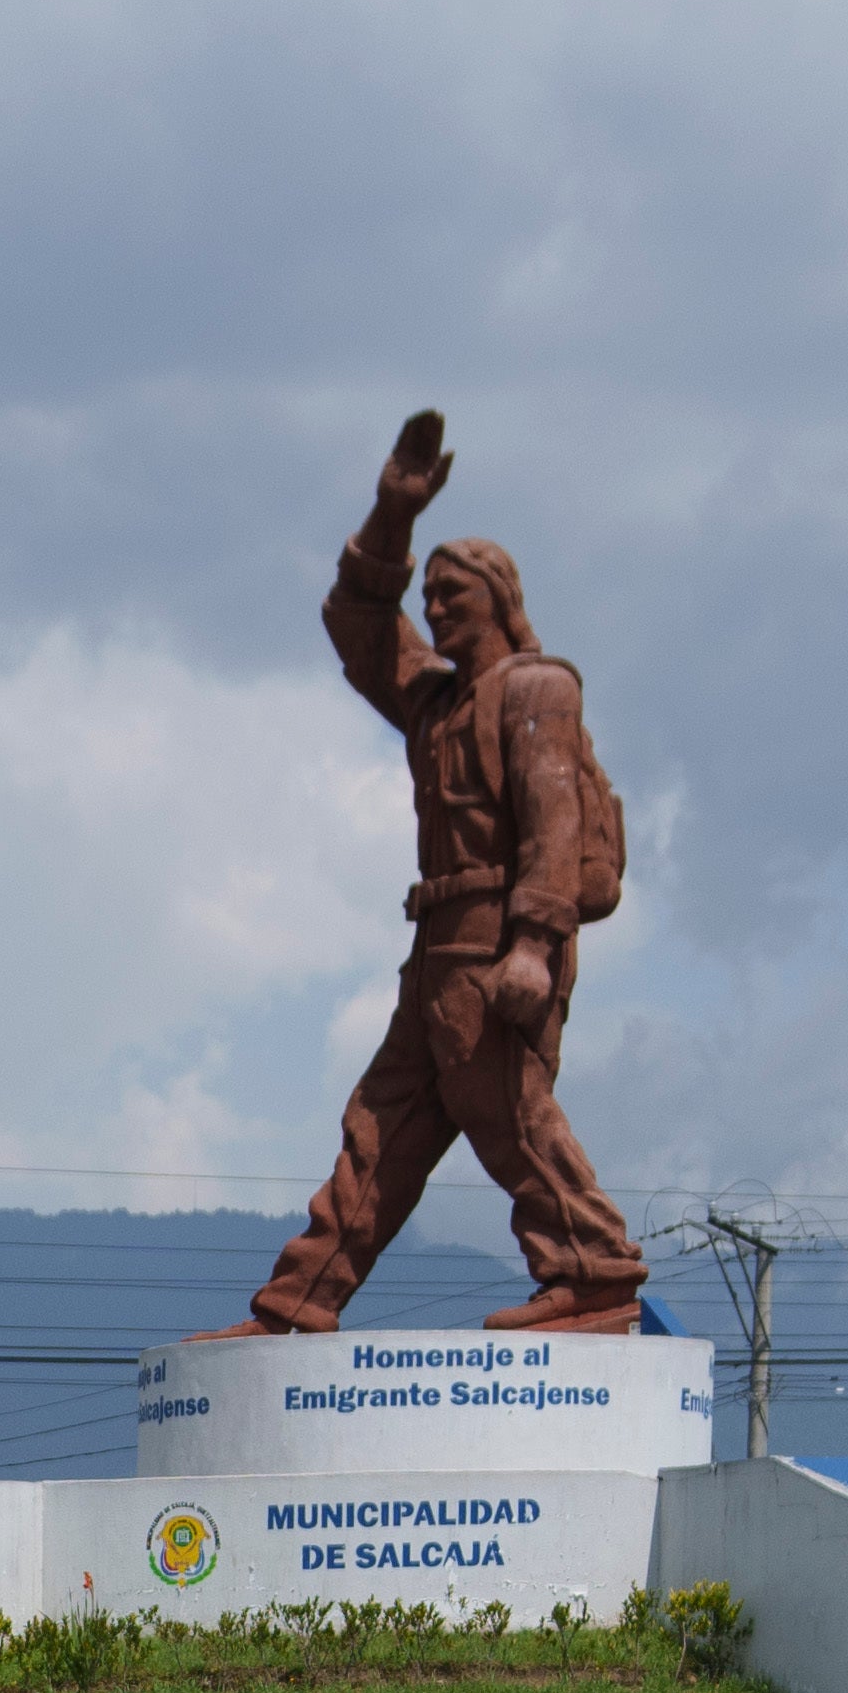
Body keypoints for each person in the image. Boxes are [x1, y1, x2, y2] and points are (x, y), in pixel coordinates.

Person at [232, 406, 647, 1338]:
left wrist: (535, 945)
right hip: (436, 945)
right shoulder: (435, 703)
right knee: (381, 1127)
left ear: (499, 598)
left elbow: (553, 820)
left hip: (500, 939)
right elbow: (355, 621)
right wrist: (392, 516)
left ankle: (593, 1272)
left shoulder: (537, 688)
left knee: (504, 1113)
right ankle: (301, 1302)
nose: (434, 609)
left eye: (452, 594)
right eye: (428, 596)